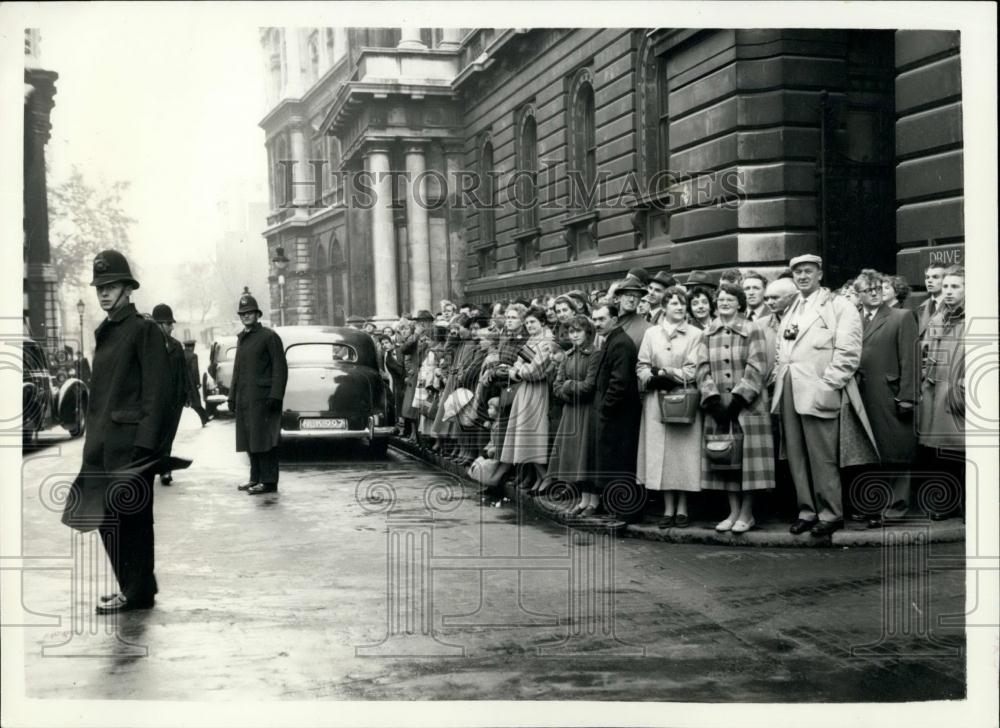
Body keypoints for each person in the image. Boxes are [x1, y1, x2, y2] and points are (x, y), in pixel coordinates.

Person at [62, 250, 170, 614]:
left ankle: (136, 591)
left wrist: (146, 445)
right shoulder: (108, 331)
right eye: (100, 287)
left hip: (131, 446)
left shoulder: (143, 330)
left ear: (127, 288)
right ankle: (135, 586)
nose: (104, 293)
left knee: (132, 521)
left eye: (111, 286)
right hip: (104, 445)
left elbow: (157, 392)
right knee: (108, 519)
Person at [772, 254, 876, 537]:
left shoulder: (839, 306)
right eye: (798, 273)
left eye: (808, 271)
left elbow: (849, 353)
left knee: (823, 456)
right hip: (790, 388)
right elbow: (782, 347)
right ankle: (807, 511)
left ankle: (830, 513)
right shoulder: (792, 307)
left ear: (819, 274)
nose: (802, 277)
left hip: (819, 388)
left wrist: (828, 384)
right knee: (796, 454)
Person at [697, 283, 773, 533]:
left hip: (748, 408)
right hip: (719, 407)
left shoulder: (754, 329)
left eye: (730, 299)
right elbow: (701, 368)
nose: (725, 302)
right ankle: (732, 512)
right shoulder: (707, 333)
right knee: (725, 458)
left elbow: (758, 366)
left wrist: (739, 399)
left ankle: (747, 513)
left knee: (749, 461)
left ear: (740, 303)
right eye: (721, 299)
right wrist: (713, 399)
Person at [852, 270, 919, 527]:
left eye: (878, 287)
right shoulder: (854, 319)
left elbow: (910, 360)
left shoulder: (901, 317)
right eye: (868, 289)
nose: (875, 291)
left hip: (890, 394)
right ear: (857, 295)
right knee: (870, 452)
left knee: (896, 450)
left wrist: (908, 397)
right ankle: (873, 506)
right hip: (860, 395)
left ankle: (895, 508)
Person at [636, 287, 704, 528]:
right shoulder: (652, 333)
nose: (679, 307)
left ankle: (683, 507)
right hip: (656, 401)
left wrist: (666, 372)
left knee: (682, 454)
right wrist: (649, 377)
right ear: (663, 307)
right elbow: (642, 364)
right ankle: (667, 508)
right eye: (674, 303)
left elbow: (693, 369)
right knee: (660, 454)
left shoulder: (695, 334)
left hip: (683, 399)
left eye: (682, 303)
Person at [917, 266, 966, 520]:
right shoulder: (938, 318)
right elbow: (925, 353)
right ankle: (946, 504)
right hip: (936, 393)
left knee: (965, 453)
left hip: (959, 393)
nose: (948, 291)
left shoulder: (973, 318)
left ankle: (970, 505)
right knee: (941, 453)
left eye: (955, 286)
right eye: (946, 286)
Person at [228, 293, 288, 495]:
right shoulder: (242, 338)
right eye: (242, 313)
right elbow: (237, 369)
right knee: (249, 438)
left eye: (249, 312)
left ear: (257, 314)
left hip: (264, 399)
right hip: (245, 398)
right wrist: (231, 396)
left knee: (265, 440)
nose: (246, 316)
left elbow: (280, 368)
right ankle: (255, 478)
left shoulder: (269, 337)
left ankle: (269, 481)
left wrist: (275, 395)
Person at [590, 303, 642, 519]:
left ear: (614, 319)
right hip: (614, 413)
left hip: (619, 415)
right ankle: (617, 508)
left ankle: (624, 510)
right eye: (594, 319)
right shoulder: (612, 340)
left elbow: (618, 383)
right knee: (612, 461)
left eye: (601, 319)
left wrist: (605, 409)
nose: (597, 324)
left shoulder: (620, 343)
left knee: (619, 463)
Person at [497, 306, 555, 493]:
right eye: (527, 322)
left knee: (533, 434)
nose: (529, 325)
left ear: (543, 323)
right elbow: (518, 363)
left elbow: (535, 371)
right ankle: (539, 477)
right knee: (525, 435)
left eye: (533, 322)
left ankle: (546, 476)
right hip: (526, 391)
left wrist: (518, 371)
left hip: (539, 391)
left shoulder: (547, 341)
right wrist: (519, 370)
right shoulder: (532, 339)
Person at [547, 314, 600, 514]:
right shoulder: (568, 355)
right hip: (571, 410)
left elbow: (589, 386)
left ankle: (593, 501)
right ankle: (583, 498)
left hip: (587, 412)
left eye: (578, 331)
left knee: (587, 456)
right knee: (575, 457)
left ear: (588, 333)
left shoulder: (594, 354)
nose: (574, 335)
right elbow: (556, 386)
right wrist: (567, 390)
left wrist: (568, 385)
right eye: (571, 331)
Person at [151, 303, 188, 486]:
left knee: (168, 435)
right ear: (158, 324)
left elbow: (183, 373)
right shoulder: (147, 346)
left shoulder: (176, 346)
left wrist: (185, 396)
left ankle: (165, 469)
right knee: (156, 435)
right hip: (154, 401)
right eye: (168, 323)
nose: (172, 327)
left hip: (174, 401)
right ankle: (156, 467)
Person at [614, 275, 652, 348]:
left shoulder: (647, 329)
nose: (632, 299)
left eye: (636, 296)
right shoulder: (608, 321)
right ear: (619, 297)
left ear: (639, 300)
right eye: (628, 295)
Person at [182, 340, 212, 426]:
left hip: (181, 381)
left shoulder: (181, 354)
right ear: (192, 347)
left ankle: (205, 418)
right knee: (196, 401)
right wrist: (197, 382)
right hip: (190, 382)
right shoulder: (193, 356)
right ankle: (204, 418)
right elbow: (194, 370)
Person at [916, 263, 947, 341]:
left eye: (935, 277)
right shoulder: (921, 307)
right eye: (927, 277)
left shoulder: (952, 305)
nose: (929, 281)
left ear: (945, 280)